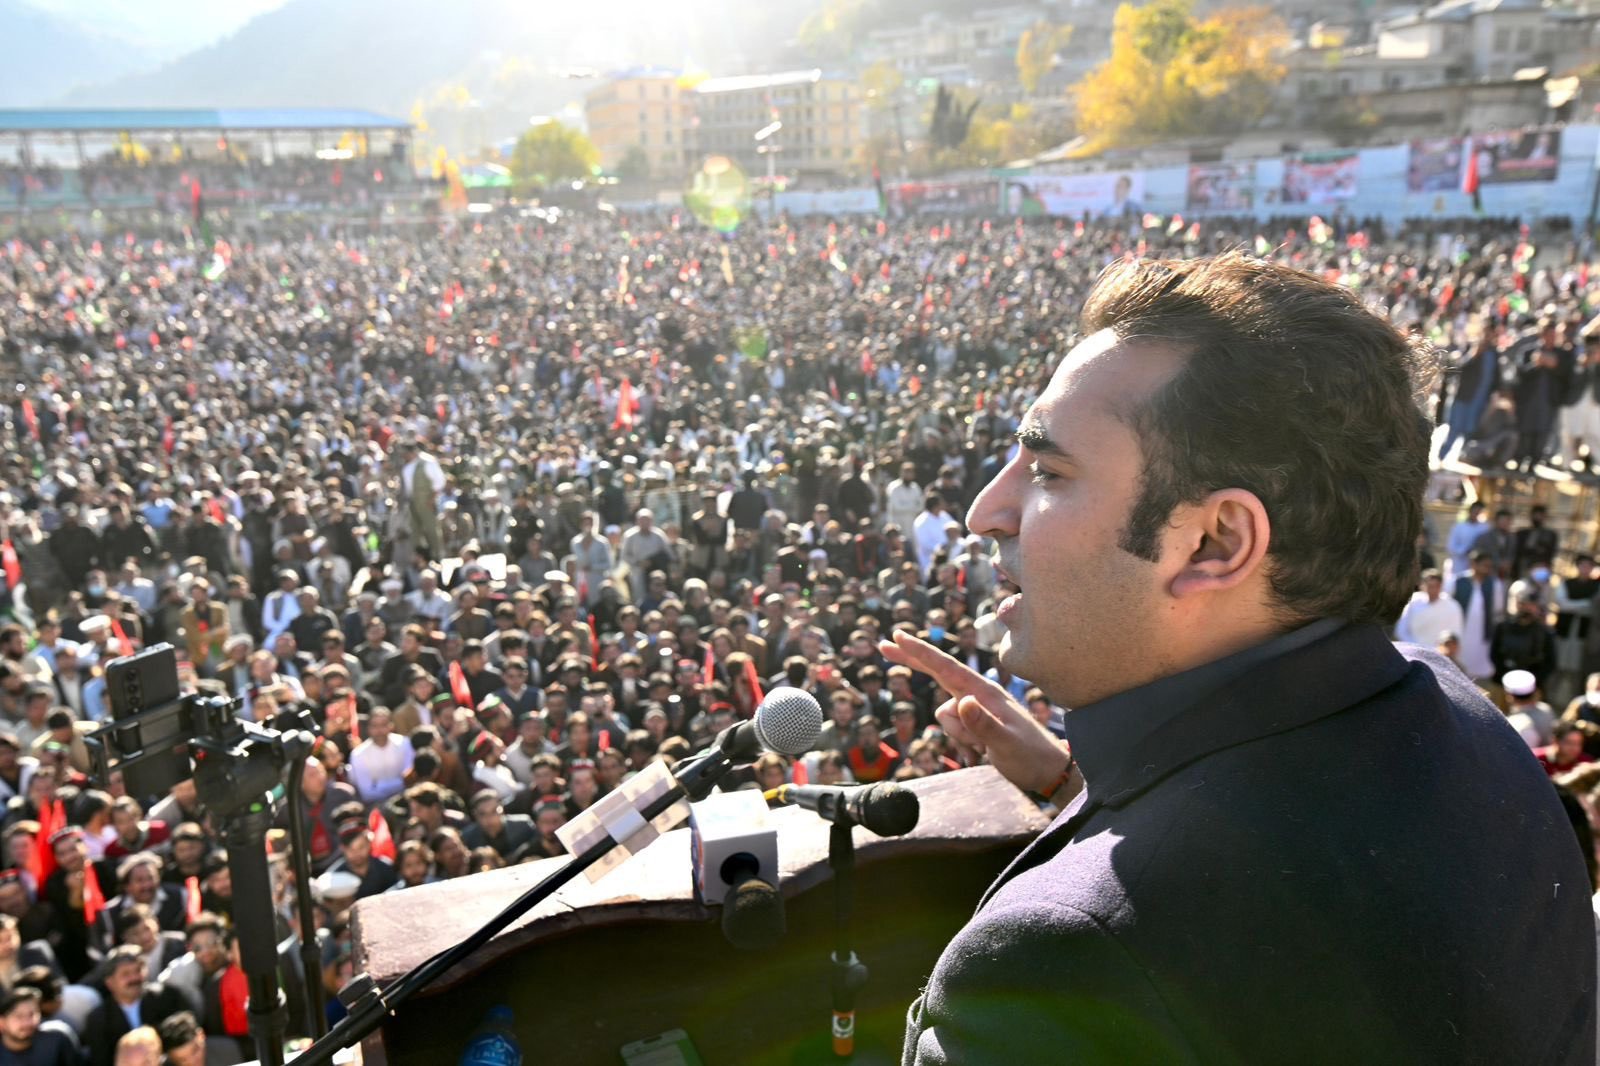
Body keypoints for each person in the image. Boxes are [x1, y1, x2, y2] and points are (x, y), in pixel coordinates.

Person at [884, 254, 1593, 1063]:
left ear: (1216, 542)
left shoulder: (1067, 962)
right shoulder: (1467, 724)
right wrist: (1081, 791)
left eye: (1048, 471)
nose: (986, 512)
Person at [0, 986, 75, 1066]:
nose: (27, 1023)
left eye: (32, 1014)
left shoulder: (57, 1039)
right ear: (2, 1022)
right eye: (19, 1016)